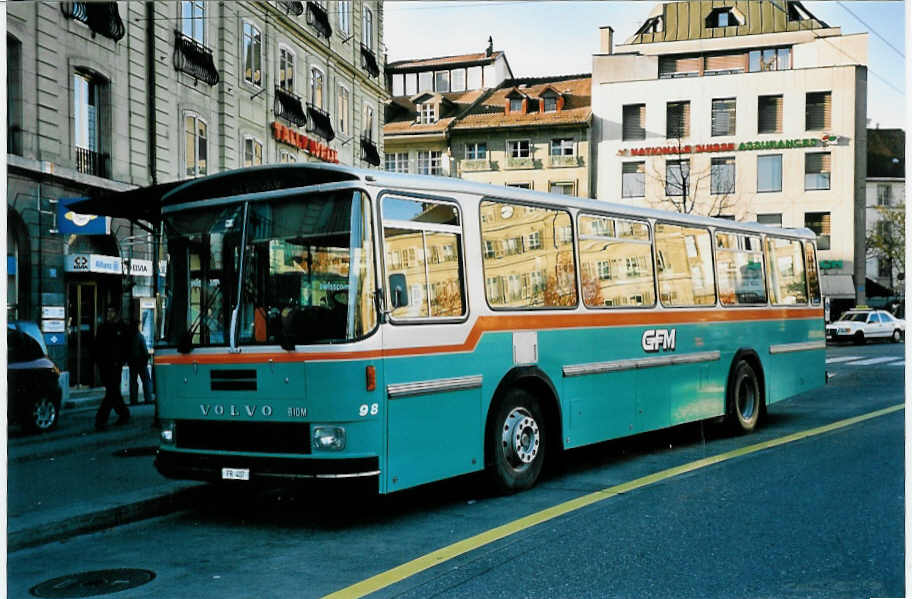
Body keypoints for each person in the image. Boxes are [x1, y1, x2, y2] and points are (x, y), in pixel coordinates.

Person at [94, 303, 130, 431]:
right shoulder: (103, 327)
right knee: (113, 391)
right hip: (105, 365)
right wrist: (98, 361)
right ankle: (124, 414)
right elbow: (97, 346)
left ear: (117, 313)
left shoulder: (122, 328)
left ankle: (101, 419)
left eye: (111, 312)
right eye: (108, 312)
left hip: (116, 365)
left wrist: (123, 360)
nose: (109, 314)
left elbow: (126, 345)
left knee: (111, 391)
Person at [128, 320, 153, 405]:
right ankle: (148, 398)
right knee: (146, 380)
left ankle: (134, 400)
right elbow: (145, 351)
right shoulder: (140, 336)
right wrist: (146, 359)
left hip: (132, 362)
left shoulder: (130, 337)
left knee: (133, 382)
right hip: (141, 362)